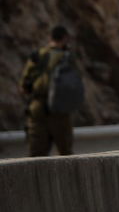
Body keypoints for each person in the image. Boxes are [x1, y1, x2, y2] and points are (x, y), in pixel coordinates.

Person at [18, 25, 79, 157]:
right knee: (66, 155)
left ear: (50, 37)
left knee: (36, 157)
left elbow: (23, 86)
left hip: (37, 111)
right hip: (60, 111)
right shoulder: (67, 58)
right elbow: (76, 86)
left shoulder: (37, 56)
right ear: (65, 38)